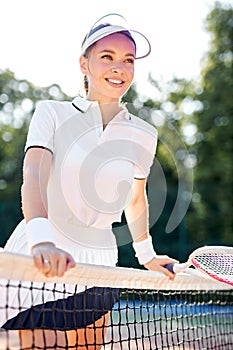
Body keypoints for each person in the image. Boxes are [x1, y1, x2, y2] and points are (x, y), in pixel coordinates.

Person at [0, 13, 177, 349]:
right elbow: (34, 175)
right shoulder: (51, 112)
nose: (119, 68)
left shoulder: (144, 134)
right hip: (41, 257)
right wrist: (42, 241)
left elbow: (136, 198)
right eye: (106, 57)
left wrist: (146, 255)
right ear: (84, 64)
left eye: (128, 60)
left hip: (99, 264)